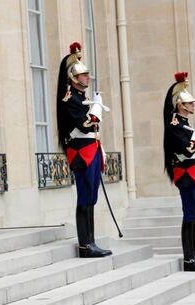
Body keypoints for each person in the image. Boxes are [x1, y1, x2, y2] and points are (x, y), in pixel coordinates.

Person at [56, 42, 112, 258]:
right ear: (73, 78)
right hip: (81, 153)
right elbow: (85, 125)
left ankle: (91, 241)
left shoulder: (81, 98)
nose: (87, 78)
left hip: (91, 151)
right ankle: (85, 244)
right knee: (85, 198)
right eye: (83, 75)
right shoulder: (70, 99)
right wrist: (97, 107)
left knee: (91, 198)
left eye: (87, 74)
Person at [163, 72, 195, 271]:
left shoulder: (184, 123)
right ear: (181, 105)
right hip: (186, 174)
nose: (193, 105)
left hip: (194, 172)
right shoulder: (175, 124)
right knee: (190, 214)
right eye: (189, 103)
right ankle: (189, 259)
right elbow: (185, 148)